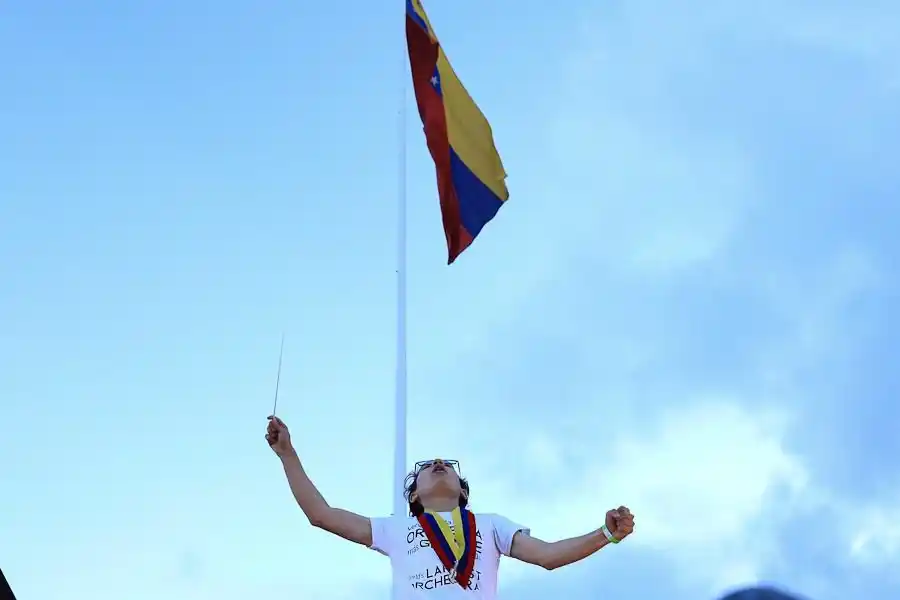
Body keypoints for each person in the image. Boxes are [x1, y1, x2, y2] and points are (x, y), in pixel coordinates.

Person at [266, 415, 635, 598]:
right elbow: (321, 514)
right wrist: (288, 454)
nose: (438, 462)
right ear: (414, 497)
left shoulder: (490, 525)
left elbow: (549, 555)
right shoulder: (395, 529)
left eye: (446, 466)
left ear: (462, 491)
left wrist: (606, 533)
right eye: (427, 466)